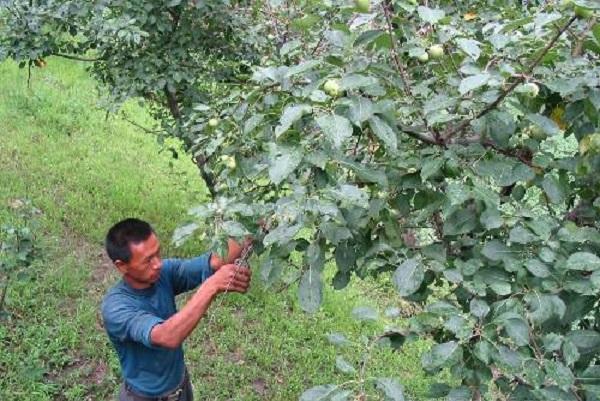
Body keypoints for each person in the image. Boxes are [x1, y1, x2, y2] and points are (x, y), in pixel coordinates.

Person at [101, 218, 252, 401]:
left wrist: (254, 228)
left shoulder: (163, 273)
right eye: (148, 260)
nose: (157, 264)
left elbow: (215, 261)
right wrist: (212, 286)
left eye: (158, 253)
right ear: (121, 266)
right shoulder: (116, 307)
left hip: (180, 389)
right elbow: (166, 336)